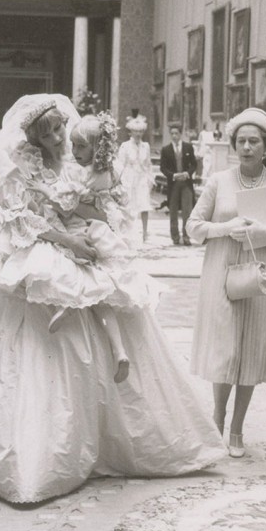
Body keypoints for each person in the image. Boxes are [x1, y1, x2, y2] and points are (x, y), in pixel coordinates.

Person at [0, 94, 225, 504]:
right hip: (45, 245)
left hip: (86, 240)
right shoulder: (20, 165)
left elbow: (104, 204)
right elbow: (22, 220)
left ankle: (117, 424)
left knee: (111, 293)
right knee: (47, 297)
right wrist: (68, 240)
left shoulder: (79, 160)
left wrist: (94, 228)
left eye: (59, 129)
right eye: (48, 134)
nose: (57, 138)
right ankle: (42, 448)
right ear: (34, 138)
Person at [187, 107, 266, 458]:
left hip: (261, 277)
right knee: (226, 348)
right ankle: (218, 416)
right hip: (222, 274)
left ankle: (237, 427)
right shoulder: (218, 181)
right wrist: (226, 228)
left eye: (254, 141)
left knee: (250, 351)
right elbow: (193, 227)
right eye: (241, 141)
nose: (246, 147)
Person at [30, 112, 146, 383]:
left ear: (96, 148)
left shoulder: (81, 173)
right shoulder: (110, 172)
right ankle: (119, 350)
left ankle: (71, 304)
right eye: (74, 145)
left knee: (78, 269)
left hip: (87, 229)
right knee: (102, 290)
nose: (74, 151)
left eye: (81, 146)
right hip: (105, 233)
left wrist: (45, 190)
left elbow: (65, 204)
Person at [116, 112, 154, 243]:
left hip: (141, 178)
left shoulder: (146, 146)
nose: (138, 134)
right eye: (135, 131)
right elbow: (120, 165)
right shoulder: (125, 146)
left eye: (140, 132)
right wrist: (120, 181)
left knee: (144, 205)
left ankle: (145, 233)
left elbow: (148, 164)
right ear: (130, 132)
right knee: (129, 206)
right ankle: (128, 231)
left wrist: (150, 179)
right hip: (129, 178)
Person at [160, 124, 197, 245]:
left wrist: (188, 173)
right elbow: (163, 168)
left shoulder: (188, 147)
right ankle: (175, 236)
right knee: (173, 210)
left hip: (186, 183)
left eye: (176, 133)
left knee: (187, 210)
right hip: (173, 184)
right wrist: (172, 175)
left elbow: (194, 164)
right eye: (172, 133)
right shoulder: (166, 150)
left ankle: (186, 236)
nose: (174, 136)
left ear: (180, 134)